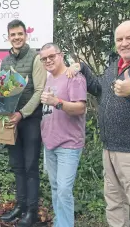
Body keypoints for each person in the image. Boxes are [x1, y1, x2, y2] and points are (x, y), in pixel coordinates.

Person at [69, 20, 130, 227]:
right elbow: (100, 89)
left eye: (129, 37)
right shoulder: (115, 65)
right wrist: (83, 68)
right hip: (110, 151)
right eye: (119, 39)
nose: (124, 43)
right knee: (115, 206)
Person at [0, 19, 47, 227]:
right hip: (9, 119)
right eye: (13, 35)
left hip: (30, 119)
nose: (16, 38)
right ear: (8, 37)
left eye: (20, 34)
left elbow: (39, 91)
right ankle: (20, 206)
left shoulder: (35, 58)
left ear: (25, 35)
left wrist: (22, 113)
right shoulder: (4, 61)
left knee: (30, 167)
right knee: (17, 166)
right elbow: (2, 90)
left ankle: (31, 211)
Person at [39, 43, 87, 227]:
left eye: (52, 56)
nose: (48, 61)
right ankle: (60, 222)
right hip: (50, 143)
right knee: (56, 188)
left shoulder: (74, 77)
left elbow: (80, 108)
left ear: (61, 55)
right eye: (44, 59)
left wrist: (57, 102)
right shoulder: (49, 78)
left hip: (68, 144)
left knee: (64, 191)